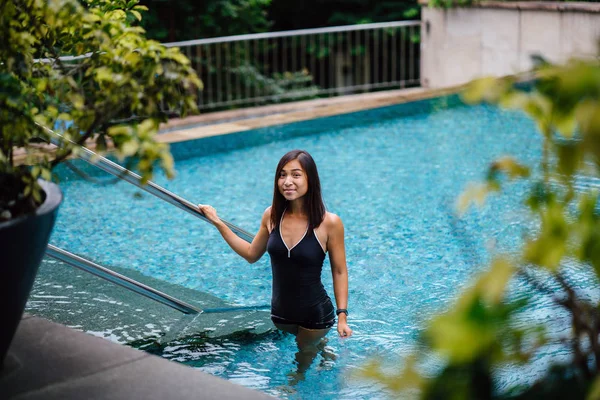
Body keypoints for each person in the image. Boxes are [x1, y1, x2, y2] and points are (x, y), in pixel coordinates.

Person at [198, 149, 352, 374]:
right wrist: (218, 223)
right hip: (281, 313)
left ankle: (294, 383)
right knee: (307, 344)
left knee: (302, 351)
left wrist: (342, 316)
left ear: (311, 178)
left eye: (296, 175)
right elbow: (251, 254)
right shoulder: (271, 216)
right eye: (282, 175)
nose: (287, 182)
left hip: (315, 315)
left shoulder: (329, 223)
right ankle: (322, 349)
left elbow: (339, 271)